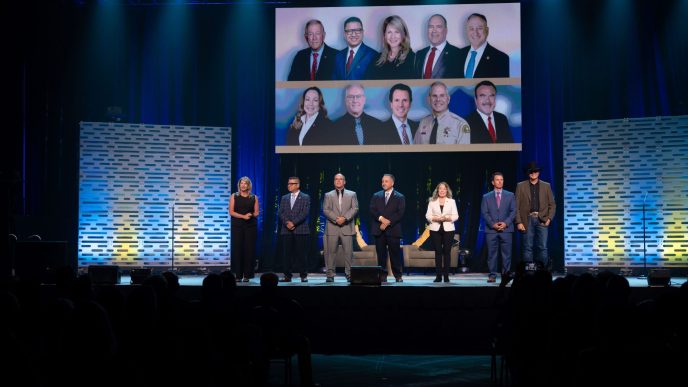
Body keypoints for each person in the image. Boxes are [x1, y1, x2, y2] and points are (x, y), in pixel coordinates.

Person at [515, 162, 556, 270]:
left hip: (542, 219)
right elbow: (516, 205)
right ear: (528, 173)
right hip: (526, 219)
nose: (533, 173)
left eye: (535, 171)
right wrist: (519, 222)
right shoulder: (521, 186)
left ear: (539, 172)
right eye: (531, 171)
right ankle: (528, 271)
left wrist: (549, 219)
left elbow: (552, 204)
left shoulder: (546, 186)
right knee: (527, 247)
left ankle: (542, 271)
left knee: (542, 247)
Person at [322, 173, 359, 282]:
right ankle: (330, 275)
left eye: (340, 179)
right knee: (330, 253)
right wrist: (337, 219)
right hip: (332, 228)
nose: (338, 181)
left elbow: (355, 208)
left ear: (344, 181)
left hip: (347, 227)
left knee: (348, 253)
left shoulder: (352, 194)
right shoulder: (328, 195)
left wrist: (345, 218)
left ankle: (349, 274)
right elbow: (326, 210)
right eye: (336, 179)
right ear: (334, 181)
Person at [480, 172, 516, 283]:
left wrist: (506, 223)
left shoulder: (510, 195)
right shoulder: (486, 197)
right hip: (491, 230)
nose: (500, 181)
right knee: (492, 254)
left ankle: (506, 275)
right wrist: (493, 224)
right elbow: (484, 212)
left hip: (506, 229)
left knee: (506, 254)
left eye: (501, 179)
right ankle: (492, 275)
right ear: (493, 182)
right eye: (497, 179)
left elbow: (513, 211)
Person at [370, 174, 405, 282]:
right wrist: (381, 219)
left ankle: (398, 276)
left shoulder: (399, 197)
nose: (384, 183)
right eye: (382, 181)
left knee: (395, 254)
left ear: (392, 183)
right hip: (379, 229)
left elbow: (400, 213)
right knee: (381, 255)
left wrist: (388, 222)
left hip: (393, 230)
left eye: (386, 181)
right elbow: (372, 209)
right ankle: (382, 276)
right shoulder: (376, 195)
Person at [278, 177, 311, 282]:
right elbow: (281, 212)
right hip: (286, 230)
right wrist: (287, 223)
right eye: (288, 183)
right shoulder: (284, 197)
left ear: (298, 185)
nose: (289, 185)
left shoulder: (305, 197)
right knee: (286, 254)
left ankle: (303, 275)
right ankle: (287, 276)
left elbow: (305, 213)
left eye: (292, 184)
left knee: (301, 254)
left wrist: (294, 223)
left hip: (301, 230)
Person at [425, 182, 459, 282]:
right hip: (435, 229)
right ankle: (438, 276)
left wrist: (447, 218)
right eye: (440, 189)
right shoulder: (432, 201)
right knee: (438, 252)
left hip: (448, 229)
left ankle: (446, 276)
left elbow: (456, 216)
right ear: (437, 190)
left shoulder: (452, 201)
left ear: (447, 190)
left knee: (447, 252)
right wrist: (435, 218)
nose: (442, 190)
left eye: (444, 189)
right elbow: (428, 215)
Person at [457, 13, 510, 78]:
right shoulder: (457, 55)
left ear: (487, 30)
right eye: (471, 29)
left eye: (480, 28)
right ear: (467, 31)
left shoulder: (501, 59)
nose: (475, 33)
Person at [228, 176, 260, 282]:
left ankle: (247, 275)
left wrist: (250, 215)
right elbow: (231, 212)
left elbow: (257, 212)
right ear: (239, 185)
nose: (243, 185)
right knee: (238, 249)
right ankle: (238, 275)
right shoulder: (234, 196)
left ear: (248, 185)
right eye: (241, 183)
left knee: (249, 250)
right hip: (237, 226)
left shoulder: (254, 197)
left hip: (250, 226)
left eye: (245, 183)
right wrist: (243, 216)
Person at [366, 15, 416, 80]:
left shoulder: (413, 59)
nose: (393, 36)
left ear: (403, 34)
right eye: (389, 32)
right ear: (385, 35)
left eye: (397, 32)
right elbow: (367, 83)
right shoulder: (377, 60)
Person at [414, 14, 463, 79]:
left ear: (446, 30)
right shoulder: (419, 54)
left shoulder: (457, 54)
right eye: (431, 27)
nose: (434, 30)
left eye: (438, 27)